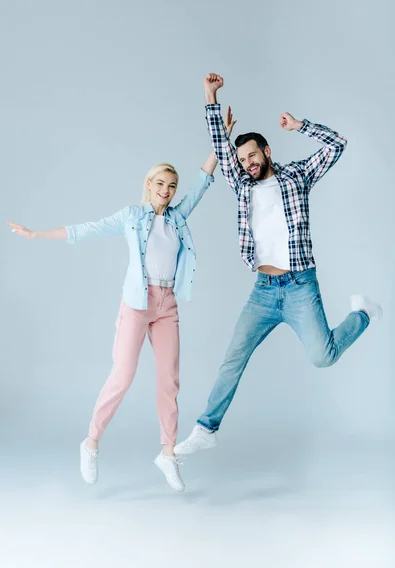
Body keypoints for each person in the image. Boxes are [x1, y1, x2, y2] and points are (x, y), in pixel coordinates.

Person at [8, 108, 235, 492]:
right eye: (160, 184)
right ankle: (91, 441)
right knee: (123, 375)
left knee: (169, 381)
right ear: (148, 184)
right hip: (136, 301)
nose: (166, 191)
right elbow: (84, 230)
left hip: (166, 304)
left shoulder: (179, 217)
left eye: (171, 186)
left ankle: (167, 453)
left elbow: (204, 179)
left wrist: (222, 140)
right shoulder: (131, 216)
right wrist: (35, 235)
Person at [175, 73, 382, 457]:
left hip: (301, 285)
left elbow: (338, 144)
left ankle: (364, 314)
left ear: (267, 151)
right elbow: (221, 149)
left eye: (252, 155)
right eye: (242, 159)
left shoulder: (297, 177)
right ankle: (206, 428)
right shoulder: (241, 185)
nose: (247, 163)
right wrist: (210, 96)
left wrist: (300, 125)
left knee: (324, 357)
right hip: (263, 291)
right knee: (233, 357)